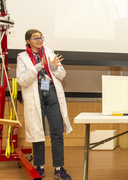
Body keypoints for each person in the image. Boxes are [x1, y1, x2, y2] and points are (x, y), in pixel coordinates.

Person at [16, 29, 73, 180]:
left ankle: (59, 168)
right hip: (35, 95)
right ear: (28, 40)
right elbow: (22, 80)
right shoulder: (22, 58)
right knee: (38, 132)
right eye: (35, 38)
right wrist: (37, 67)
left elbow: (62, 75)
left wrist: (53, 67)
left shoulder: (49, 53)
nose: (39, 40)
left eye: (41, 37)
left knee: (57, 131)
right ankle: (39, 166)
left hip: (52, 92)